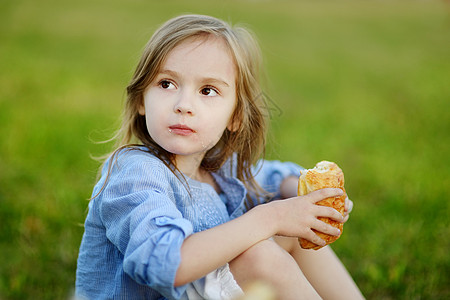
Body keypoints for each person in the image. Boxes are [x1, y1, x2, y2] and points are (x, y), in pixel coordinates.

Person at [75, 14, 364, 300]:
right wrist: (270, 217)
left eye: (207, 90)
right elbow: (166, 264)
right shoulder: (135, 173)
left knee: (293, 233)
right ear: (140, 99)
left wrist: (308, 199)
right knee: (260, 255)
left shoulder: (218, 168)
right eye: (166, 84)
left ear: (235, 117)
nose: (184, 105)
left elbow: (274, 177)